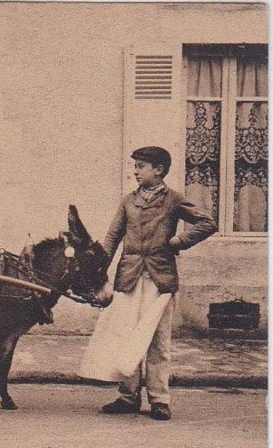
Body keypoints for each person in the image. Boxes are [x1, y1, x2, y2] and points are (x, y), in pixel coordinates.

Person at [78, 146, 216, 421]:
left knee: (157, 342)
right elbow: (112, 239)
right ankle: (128, 396)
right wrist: (97, 273)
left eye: (141, 166)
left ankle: (159, 400)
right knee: (125, 337)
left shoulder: (174, 199)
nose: (136, 171)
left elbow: (207, 222)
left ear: (159, 170)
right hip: (128, 277)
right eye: (135, 166)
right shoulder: (128, 201)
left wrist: (178, 242)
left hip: (160, 280)